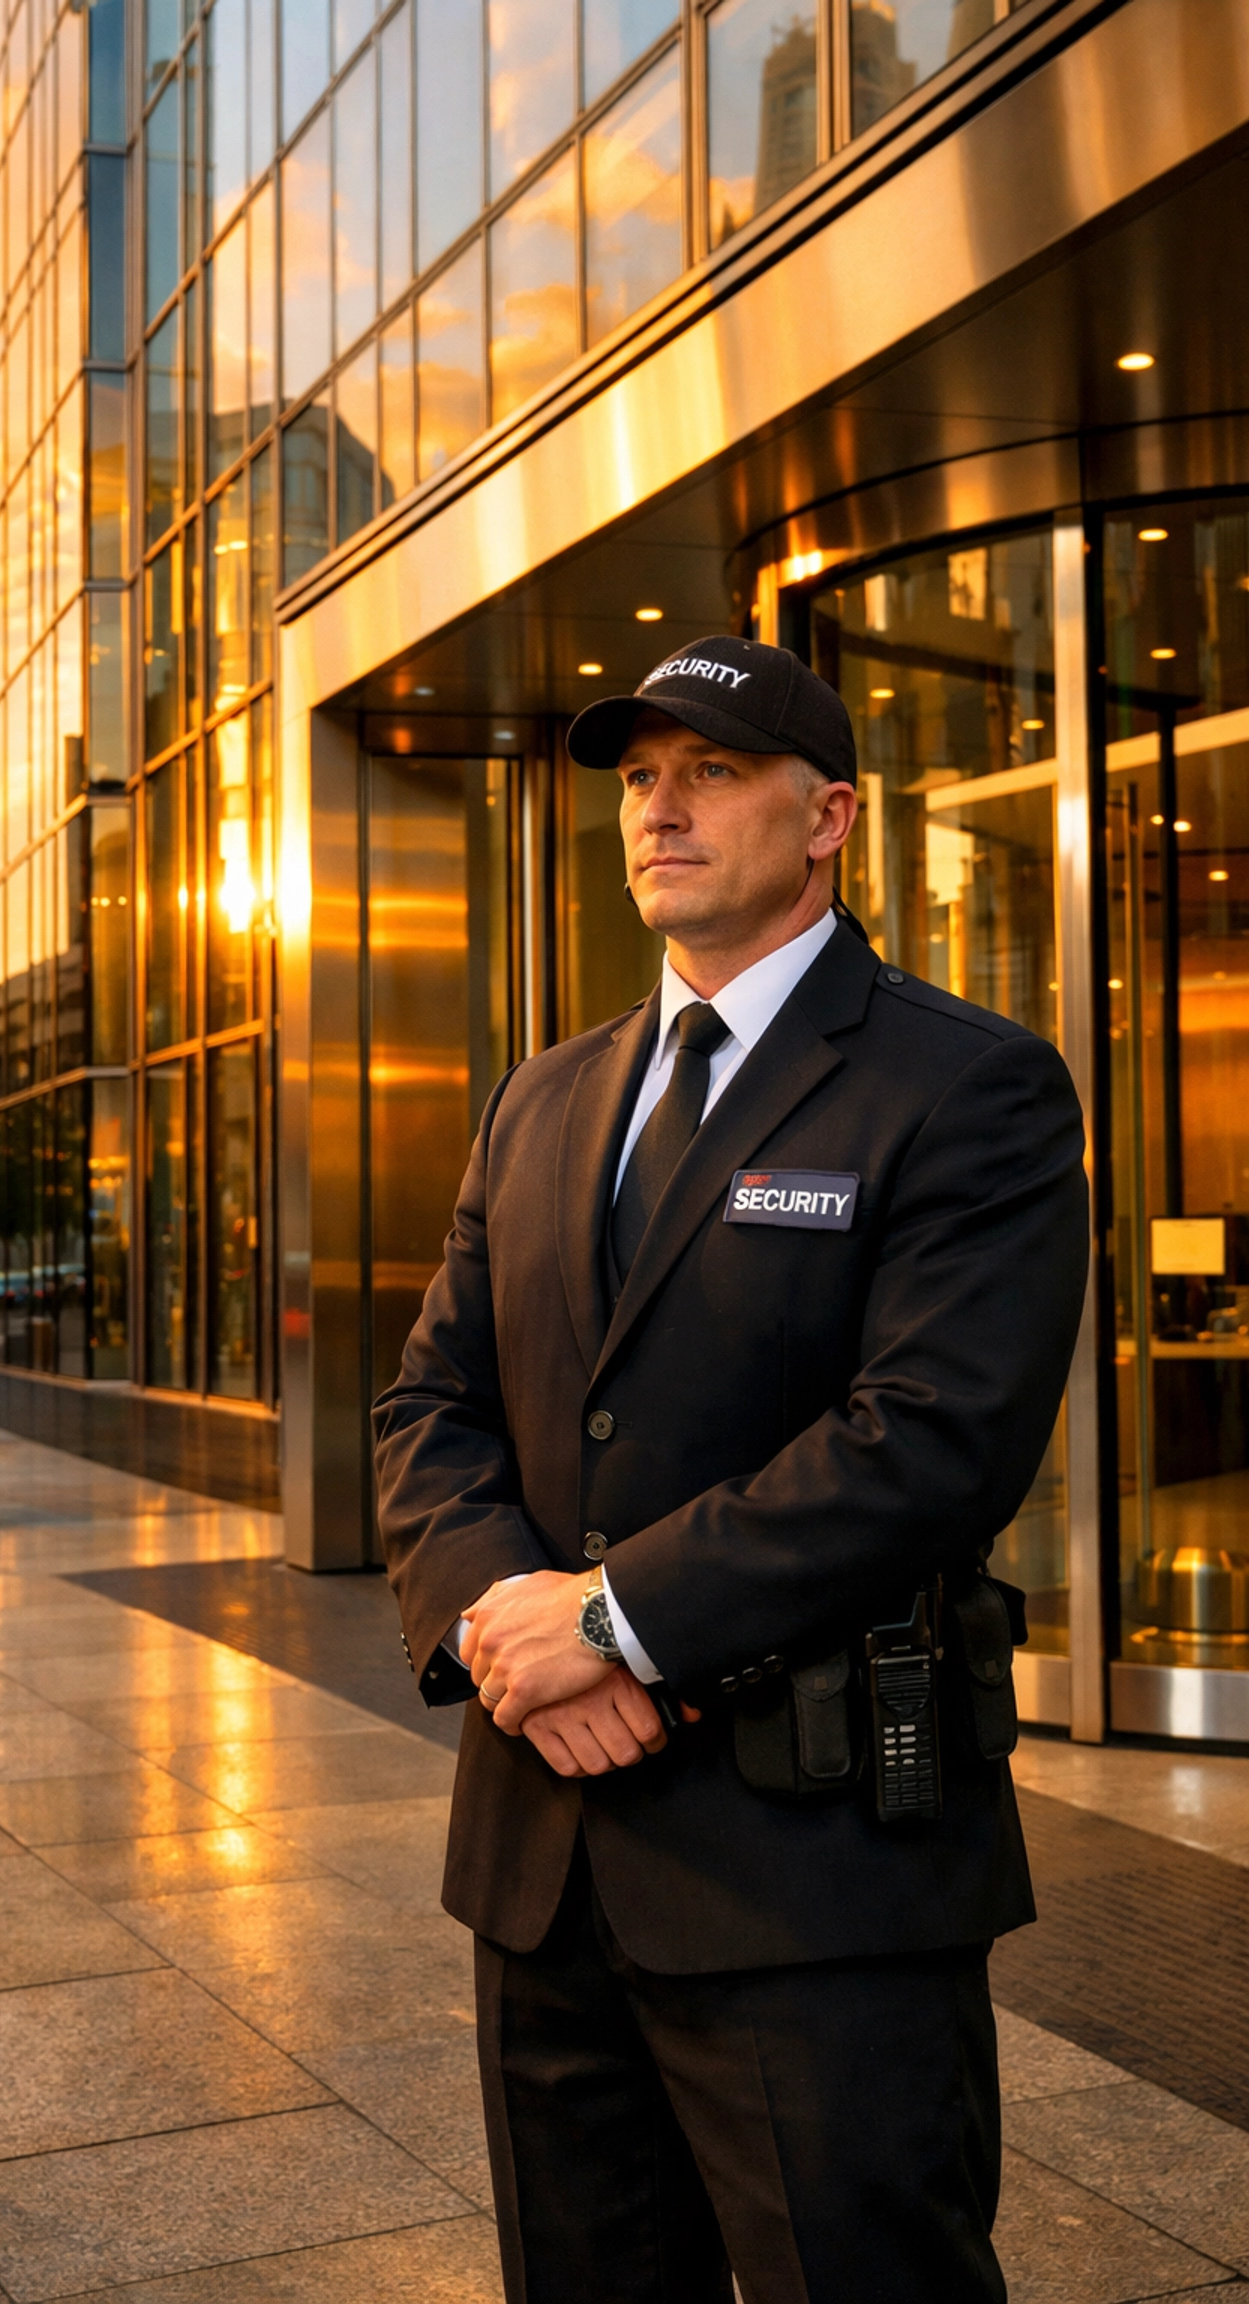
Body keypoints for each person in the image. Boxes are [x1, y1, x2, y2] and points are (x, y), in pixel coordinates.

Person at [372, 634, 1089, 2304]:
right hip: (546, 1862)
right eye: (638, 780)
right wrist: (516, 1636)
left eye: (710, 773)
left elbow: (932, 1439)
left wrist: (615, 1623)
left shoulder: (965, 1084)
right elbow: (429, 1409)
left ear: (829, 815)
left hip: (818, 1868)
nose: (660, 811)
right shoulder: (543, 1100)